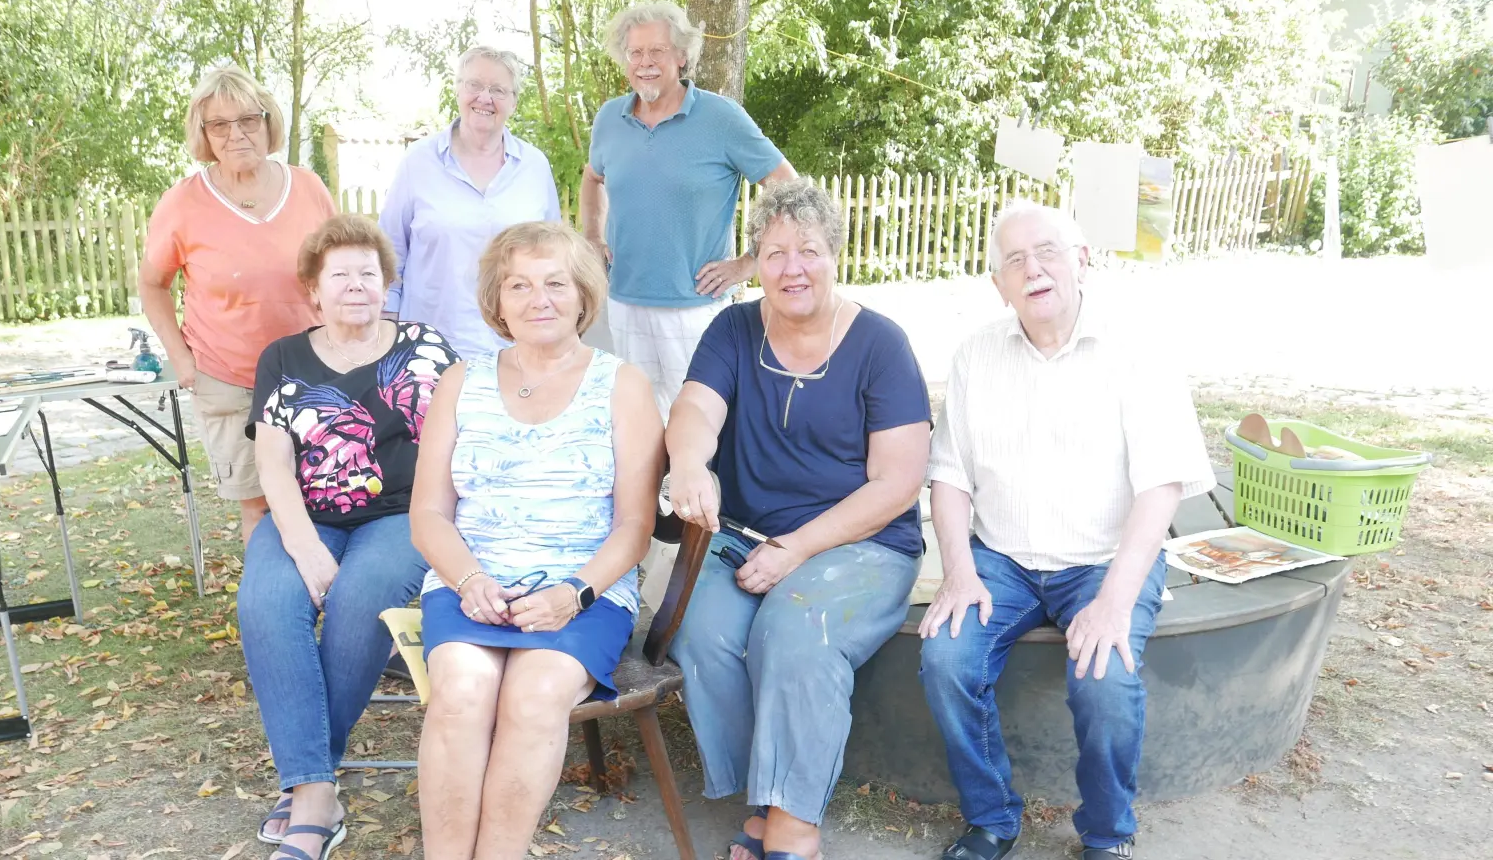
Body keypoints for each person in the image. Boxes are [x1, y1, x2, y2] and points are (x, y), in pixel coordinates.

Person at [917, 200, 1214, 860]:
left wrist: (1113, 600)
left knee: (1104, 681)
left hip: (1104, 559)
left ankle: (1108, 836)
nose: (1033, 268)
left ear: (1082, 260)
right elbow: (950, 478)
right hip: (1001, 560)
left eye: (1047, 251)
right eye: (1014, 260)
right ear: (999, 284)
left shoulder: (1138, 350)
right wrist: (959, 570)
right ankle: (991, 817)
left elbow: (1161, 486)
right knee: (945, 659)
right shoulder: (974, 356)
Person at [665, 181, 931, 860]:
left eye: (807, 250)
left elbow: (899, 481)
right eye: (774, 252)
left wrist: (797, 548)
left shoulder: (880, 345)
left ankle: (793, 828)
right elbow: (695, 409)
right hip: (746, 537)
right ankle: (767, 795)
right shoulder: (733, 329)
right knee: (703, 634)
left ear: (834, 256)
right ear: (756, 262)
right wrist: (691, 465)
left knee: (797, 628)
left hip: (862, 542)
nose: (791, 268)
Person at [409, 221, 661, 860]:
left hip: (585, 588)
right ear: (497, 302)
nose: (538, 298)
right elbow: (429, 514)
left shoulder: (622, 385)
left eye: (555, 283)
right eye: (519, 285)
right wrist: (468, 580)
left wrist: (574, 592)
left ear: (582, 296)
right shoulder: (461, 382)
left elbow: (635, 526)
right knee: (462, 693)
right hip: (472, 584)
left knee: (535, 693)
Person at [236, 214, 458, 860]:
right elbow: (272, 462)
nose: (357, 285)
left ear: (388, 283)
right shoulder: (283, 357)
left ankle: (309, 789)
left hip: (402, 514)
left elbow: (458, 435)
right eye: (341, 275)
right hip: (307, 515)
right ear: (314, 289)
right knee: (268, 601)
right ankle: (314, 785)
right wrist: (302, 547)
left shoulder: (425, 348)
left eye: (369, 273)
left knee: (363, 600)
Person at [139, 64, 337, 546]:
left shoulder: (307, 187)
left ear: (268, 123)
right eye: (219, 124)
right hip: (231, 380)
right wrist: (181, 359)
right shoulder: (183, 203)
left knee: (326, 499)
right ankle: (270, 615)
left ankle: (323, 603)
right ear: (203, 134)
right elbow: (152, 285)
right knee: (261, 507)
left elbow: (338, 268)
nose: (236, 134)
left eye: (248, 119)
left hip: (314, 375)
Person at [579, 0, 798, 418]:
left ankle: (701, 488)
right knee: (635, 424)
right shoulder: (609, 118)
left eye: (657, 51)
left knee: (702, 427)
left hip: (695, 307)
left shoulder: (722, 117)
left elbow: (788, 187)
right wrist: (592, 235)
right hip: (623, 300)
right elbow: (592, 178)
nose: (645, 62)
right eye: (635, 53)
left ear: (682, 56)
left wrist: (751, 262)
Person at [379, 45, 563, 358]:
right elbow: (389, 253)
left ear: (514, 102)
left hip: (517, 347)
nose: (484, 98)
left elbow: (553, 257)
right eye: (474, 85)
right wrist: (386, 330)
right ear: (458, 90)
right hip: (429, 347)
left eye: (498, 90)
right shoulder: (418, 163)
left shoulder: (534, 166)